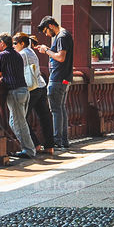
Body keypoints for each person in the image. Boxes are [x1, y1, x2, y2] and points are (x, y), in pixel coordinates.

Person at [0, 33, 35, 159]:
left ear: (3, 43)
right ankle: (28, 147)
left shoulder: (3, 55)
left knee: (19, 123)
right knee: (16, 122)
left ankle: (29, 150)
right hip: (24, 91)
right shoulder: (16, 54)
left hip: (15, 92)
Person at [35, 15, 73, 149]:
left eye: (46, 31)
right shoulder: (65, 34)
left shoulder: (61, 36)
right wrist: (48, 49)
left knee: (56, 110)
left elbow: (61, 57)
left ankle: (57, 140)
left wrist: (46, 51)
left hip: (58, 78)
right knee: (61, 109)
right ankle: (64, 140)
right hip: (64, 78)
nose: (46, 34)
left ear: (50, 26)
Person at [15, 32, 55, 155]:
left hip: (31, 88)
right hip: (40, 85)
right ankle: (49, 146)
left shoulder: (22, 54)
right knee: (45, 117)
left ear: (22, 43)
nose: (14, 46)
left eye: (15, 43)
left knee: (21, 118)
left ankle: (34, 144)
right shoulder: (31, 52)